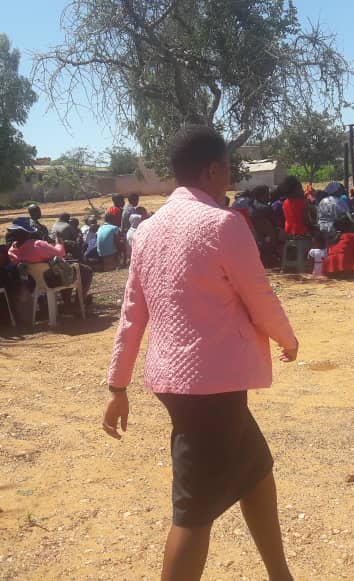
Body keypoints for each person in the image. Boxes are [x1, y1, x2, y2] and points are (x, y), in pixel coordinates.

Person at [104, 125, 298, 581]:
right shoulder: (223, 224)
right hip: (210, 385)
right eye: (228, 169)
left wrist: (118, 385)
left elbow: (132, 315)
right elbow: (259, 295)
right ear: (212, 170)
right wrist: (287, 339)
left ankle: (280, 574)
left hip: (179, 381)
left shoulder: (146, 231)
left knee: (255, 470)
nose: (229, 178)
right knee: (193, 510)